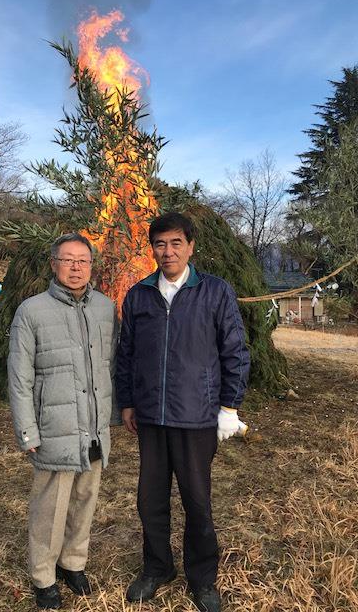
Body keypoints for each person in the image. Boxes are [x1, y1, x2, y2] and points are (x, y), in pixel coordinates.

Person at [116, 212, 250, 612]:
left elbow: (236, 352)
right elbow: (127, 355)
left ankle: (202, 578)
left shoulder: (215, 292)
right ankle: (157, 567)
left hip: (197, 417)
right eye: (160, 244)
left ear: (191, 246)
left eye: (176, 243)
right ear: (152, 248)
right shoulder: (139, 294)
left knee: (197, 501)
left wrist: (229, 406)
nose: (168, 251)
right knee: (150, 500)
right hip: (152, 419)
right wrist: (127, 401)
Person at [8, 233, 118, 611]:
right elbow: (19, 377)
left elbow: (110, 366)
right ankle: (43, 575)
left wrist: (112, 418)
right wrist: (27, 430)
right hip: (54, 424)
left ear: (91, 265)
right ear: (54, 264)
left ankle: (73, 562)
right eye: (68, 260)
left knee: (85, 499)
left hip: (94, 426)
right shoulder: (32, 311)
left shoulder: (105, 307)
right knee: (50, 506)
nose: (76, 267)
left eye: (83, 261)